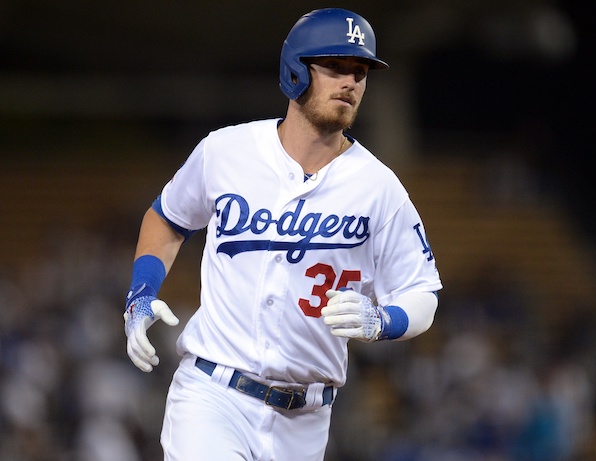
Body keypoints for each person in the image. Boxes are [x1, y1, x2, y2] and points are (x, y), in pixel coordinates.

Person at [123, 7, 443, 461]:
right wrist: (141, 291)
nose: (350, 82)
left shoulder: (379, 187)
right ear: (295, 71)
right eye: (334, 66)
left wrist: (382, 320)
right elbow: (167, 218)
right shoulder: (226, 151)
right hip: (213, 397)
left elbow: (422, 293)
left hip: (307, 421)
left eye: (360, 71)